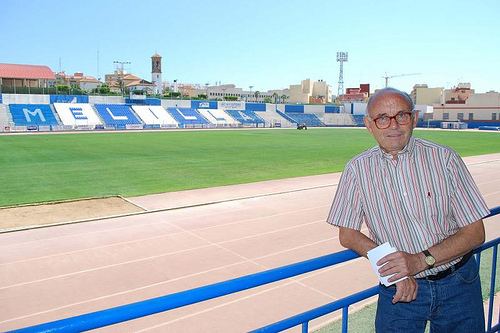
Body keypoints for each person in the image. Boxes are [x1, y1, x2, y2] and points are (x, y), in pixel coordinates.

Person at [327, 87, 489, 333]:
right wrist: (397, 270)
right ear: (369, 125)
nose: (393, 126)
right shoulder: (357, 170)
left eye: (401, 115)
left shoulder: (444, 159)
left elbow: (475, 233)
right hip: (400, 289)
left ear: (414, 119)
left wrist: (419, 261)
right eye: (383, 118)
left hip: (458, 283)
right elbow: (347, 235)